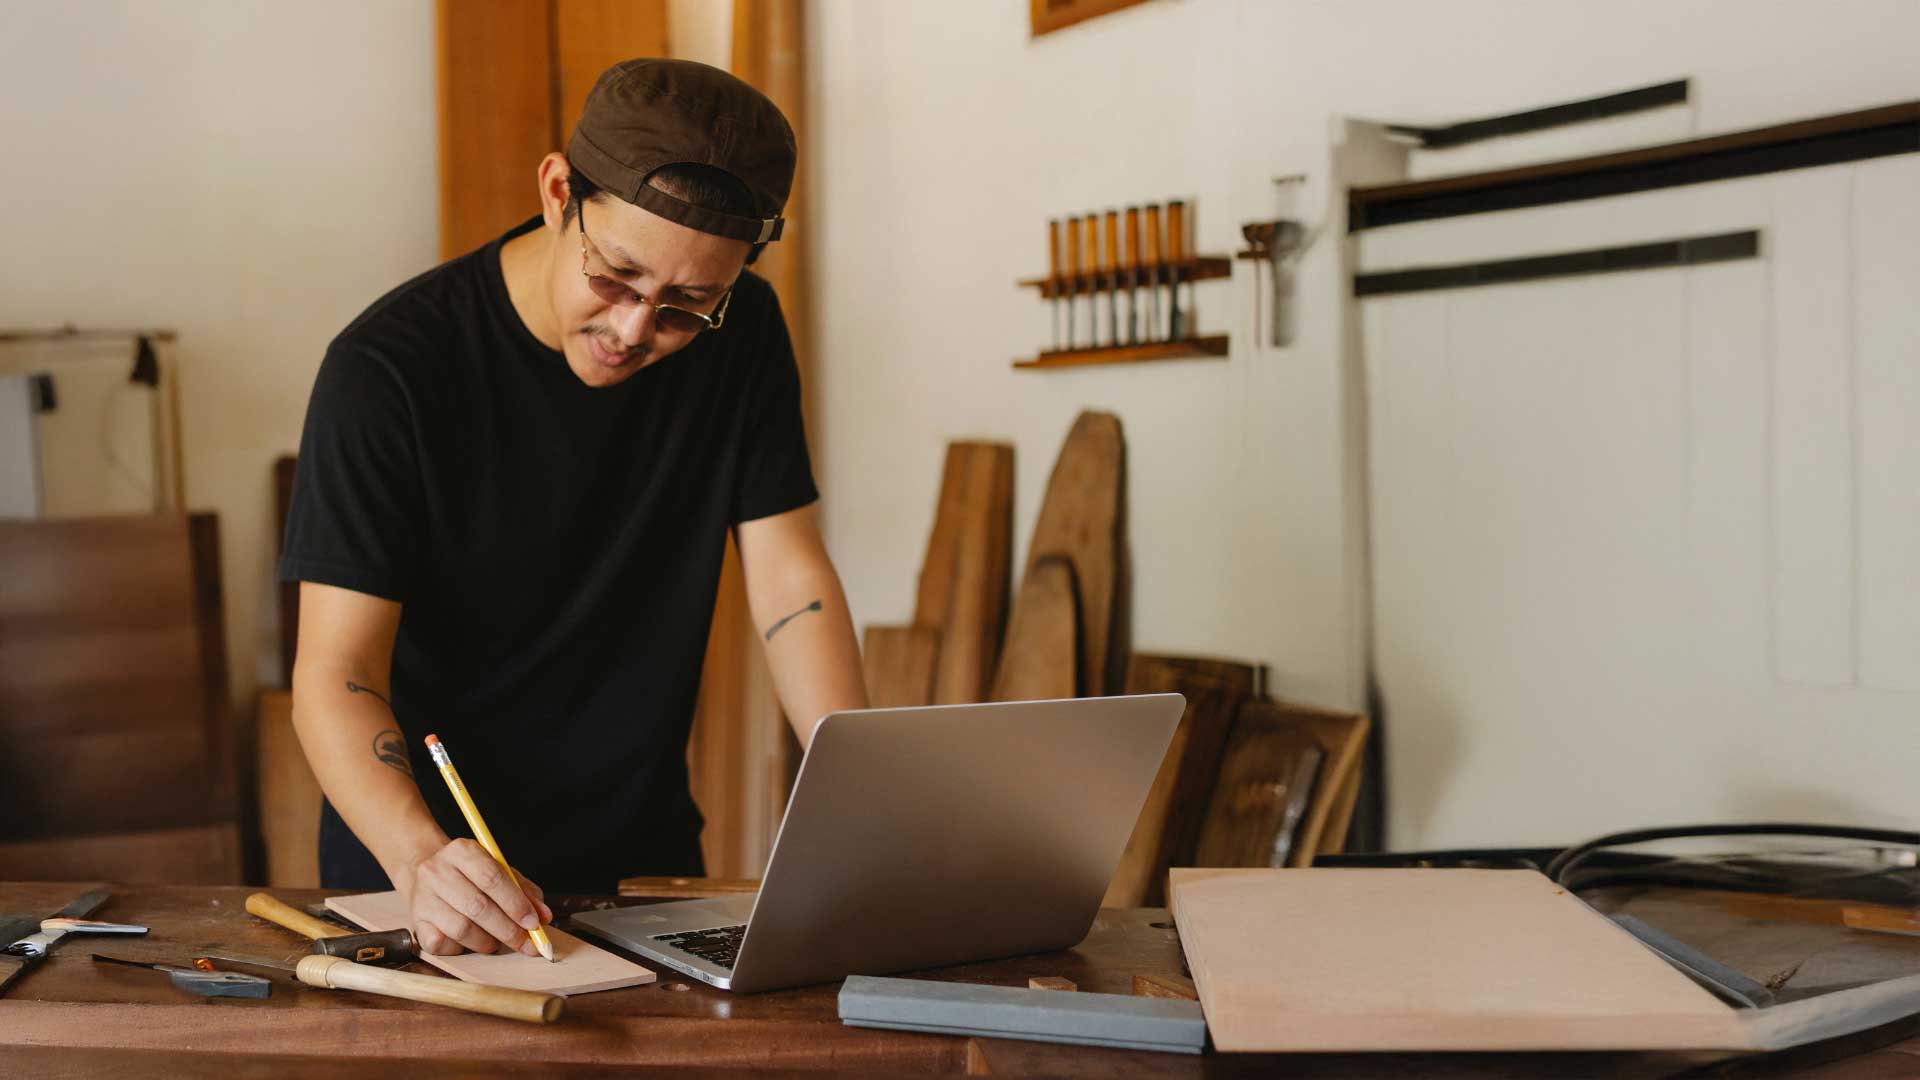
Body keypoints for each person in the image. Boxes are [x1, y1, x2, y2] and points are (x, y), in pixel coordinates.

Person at [280, 58, 866, 959]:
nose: (636, 330)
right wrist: (420, 857)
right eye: (617, 275)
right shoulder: (389, 372)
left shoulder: (743, 332)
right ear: (559, 192)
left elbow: (790, 577)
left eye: (686, 305)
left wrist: (857, 785)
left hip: (640, 857)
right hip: (425, 875)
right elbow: (336, 670)